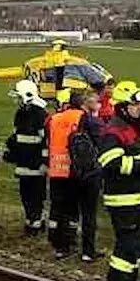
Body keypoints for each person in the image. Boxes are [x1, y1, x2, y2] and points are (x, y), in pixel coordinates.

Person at [98, 80, 140, 281]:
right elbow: (110, 163)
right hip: (124, 200)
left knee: (138, 246)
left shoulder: (135, 127)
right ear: (123, 107)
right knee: (127, 247)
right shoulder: (114, 131)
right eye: (136, 105)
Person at [46, 90, 90, 259]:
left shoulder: (54, 118)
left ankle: (57, 243)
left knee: (58, 207)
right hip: (73, 169)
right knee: (72, 209)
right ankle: (69, 242)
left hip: (56, 167)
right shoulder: (81, 117)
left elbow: (48, 141)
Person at [6, 79, 49, 236]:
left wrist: (45, 162)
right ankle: (30, 221)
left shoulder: (40, 114)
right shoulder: (20, 114)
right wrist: (12, 151)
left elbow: (46, 141)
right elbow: (18, 137)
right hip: (23, 163)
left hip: (36, 165)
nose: (16, 100)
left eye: (19, 97)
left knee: (36, 196)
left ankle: (36, 225)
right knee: (25, 196)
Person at [78, 92, 105, 261]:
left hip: (74, 170)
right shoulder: (92, 122)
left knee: (74, 211)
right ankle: (88, 251)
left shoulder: (76, 120)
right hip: (91, 172)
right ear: (88, 103)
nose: (100, 104)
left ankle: (66, 246)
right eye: (96, 101)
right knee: (89, 213)